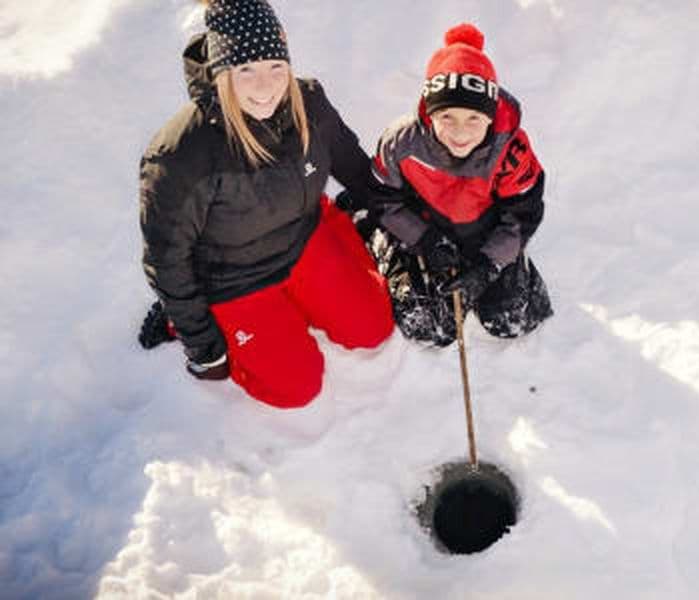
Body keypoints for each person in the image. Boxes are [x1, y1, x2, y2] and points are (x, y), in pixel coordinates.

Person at [137, 0, 394, 408]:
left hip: (303, 237)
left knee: (373, 329)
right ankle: (179, 322)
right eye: (246, 70)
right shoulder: (179, 154)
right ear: (222, 73)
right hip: (233, 277)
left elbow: (356, 169)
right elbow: (167, 260)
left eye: (276, 66)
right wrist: (203, 346)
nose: (265, 85)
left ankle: (308, 297)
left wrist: (414, 222)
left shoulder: (307, 102)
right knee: (297, 389)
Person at [366, 23, 553, 347]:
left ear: (490, 116)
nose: (460, 132)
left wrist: (488, 262)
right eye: (447, 117)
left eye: (473, 119)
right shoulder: (401, 142)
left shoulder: (510, 149)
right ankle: (390, 251)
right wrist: (423, 239)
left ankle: (503, 265)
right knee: (430, 328)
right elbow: (383, 201)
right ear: (429, 113)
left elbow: (522, 216)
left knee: (513, 319)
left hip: (483, 231)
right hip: (425, 229)